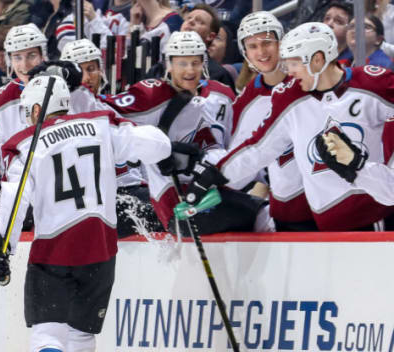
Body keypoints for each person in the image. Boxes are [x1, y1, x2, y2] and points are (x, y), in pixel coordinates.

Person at [0, 74, 171, 352]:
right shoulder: (100, 125)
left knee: (47, 335)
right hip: (101, 253)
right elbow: (159, 146)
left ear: (37, 110)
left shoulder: (27, 143)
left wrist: (0, 246)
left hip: (55, 250)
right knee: (82, 341)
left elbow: (14, 196)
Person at [195, 22, 394, 231]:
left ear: (318, 59)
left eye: (295, 63)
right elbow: (259, 148)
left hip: (374, 220)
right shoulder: (289, 97)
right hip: (326, 226)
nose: (289, 71)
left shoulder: (374, 84)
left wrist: (358, 163)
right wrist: (215, 175)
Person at [101, 31, 267, 234]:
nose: (190, 70)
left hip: (216, 194)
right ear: (169, 64)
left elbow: (233, 147)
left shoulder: (221, 94)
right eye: (182, 63)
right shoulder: (151, 94)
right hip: (174, 200)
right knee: (261, 212)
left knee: (264, 213)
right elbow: (102, 112)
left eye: (195, 63)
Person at [60, 39, 161, 236]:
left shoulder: (111, 110)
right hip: (93, 205)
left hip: (132, 194)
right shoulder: (60, 118)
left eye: (91, 69)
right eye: (79, 71)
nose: (87, 77)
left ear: (101, 71)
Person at [231, 11, 315, 231]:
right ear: (245, 52)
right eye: (253, 46)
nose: (261, 52)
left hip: (328, 205)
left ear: (281, 42)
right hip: (286, 212)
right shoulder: (247, 101)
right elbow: (245, 159)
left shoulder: (309, 83)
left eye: (267, 42)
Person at [0, 24, 47, 149]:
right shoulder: (4, 99)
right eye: (17, 57)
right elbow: (1, 147)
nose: (25, 65)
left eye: (31, 55)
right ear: (9, 60)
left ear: (42, 55)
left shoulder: (62, 88)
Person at [180, 3, 236, 91]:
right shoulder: (160, 68)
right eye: (188, 18)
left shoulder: (219, 75)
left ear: (210, 36)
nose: (191, 21)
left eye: (200, 21)